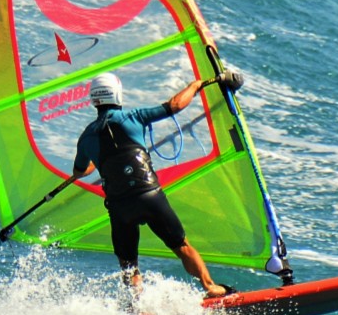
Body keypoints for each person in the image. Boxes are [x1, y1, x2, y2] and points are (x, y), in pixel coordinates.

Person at [72, 71, 231, 299]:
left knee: (128, 264)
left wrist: (95, 161)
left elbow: (79, 171)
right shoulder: (133, 117)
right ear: (117, 95)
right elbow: (175, 105)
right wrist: (195, 85)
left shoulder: (86, 137)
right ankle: (210, 288)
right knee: (181, 245)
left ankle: (137, 306)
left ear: (94, 100)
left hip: (120, 207)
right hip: (149, 196)